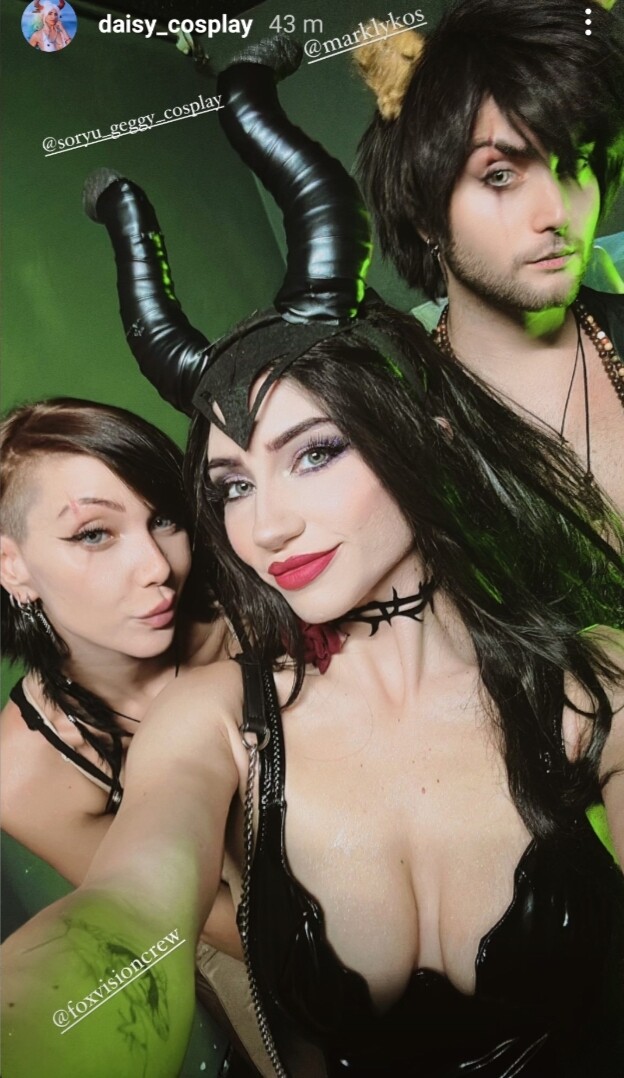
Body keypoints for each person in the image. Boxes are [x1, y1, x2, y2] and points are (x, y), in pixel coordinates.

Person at [4, 38, 624, 1078]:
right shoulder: (213, 719)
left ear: (422, 434)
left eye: (316, 453)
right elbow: (127, 921)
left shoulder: (592, 679)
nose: (267, 527)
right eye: (233, 485)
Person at [0, 397, 276, 1077]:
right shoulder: (27, 769)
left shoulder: (263, 607)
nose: (155, 566)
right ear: (12, 566)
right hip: (251, 945)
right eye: (95, 534)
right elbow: (162, 912)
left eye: (164, 519)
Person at [355, 0, 624, 513]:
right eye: (500, 175)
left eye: (576, 164)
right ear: (424, 213)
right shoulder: (400, 423)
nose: (557, 212)